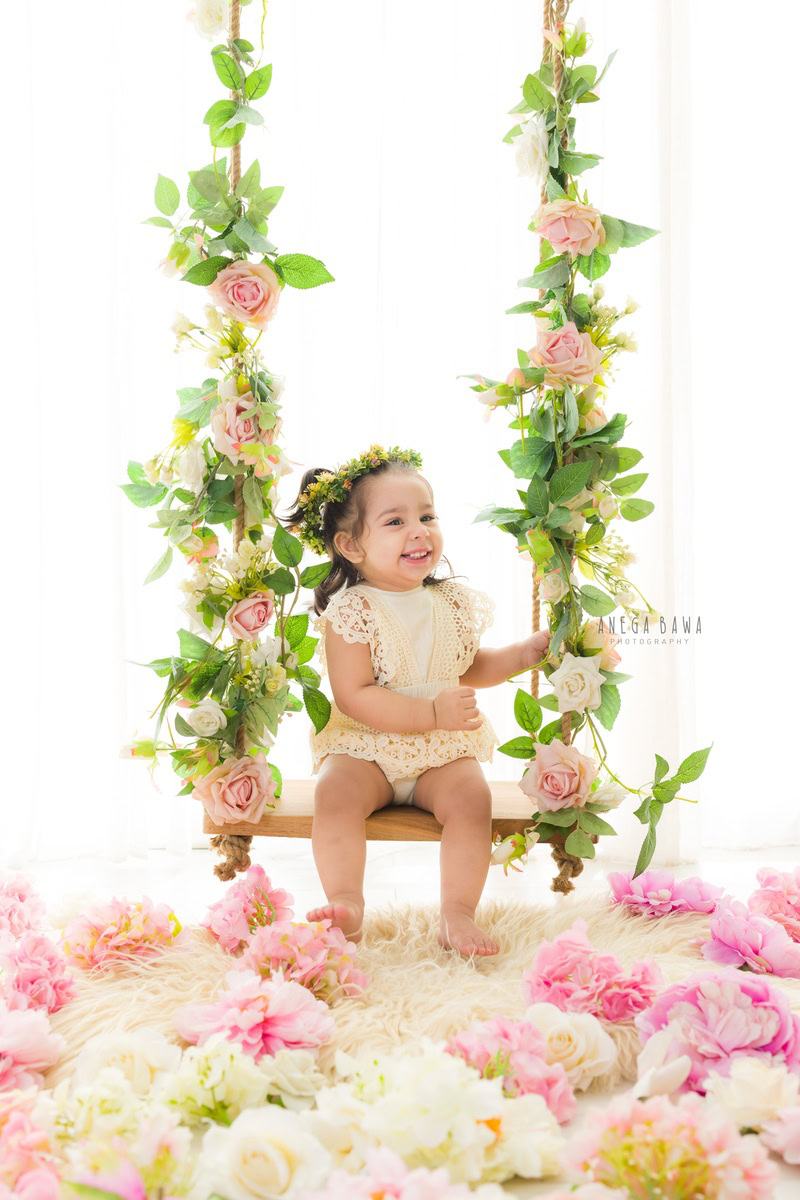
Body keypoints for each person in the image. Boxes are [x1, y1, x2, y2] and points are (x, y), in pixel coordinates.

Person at [282, 444, 550, 957]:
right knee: (334, 795)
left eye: (426, 515)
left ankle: (457, 913)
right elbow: (354, 695)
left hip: (440, 751)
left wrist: (520, 655)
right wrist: (429, 712)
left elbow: (466, 664)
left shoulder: (448, 602)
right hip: (365, 749)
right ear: (351, 545)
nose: (419, 529)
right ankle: (346, 903)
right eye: (395, 521)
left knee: (474, 800)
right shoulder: (352, 611)